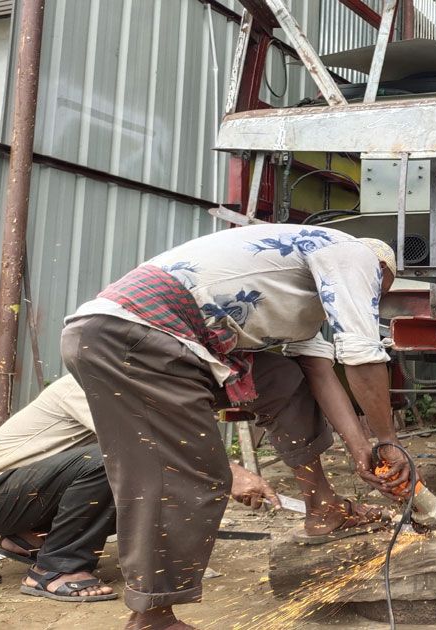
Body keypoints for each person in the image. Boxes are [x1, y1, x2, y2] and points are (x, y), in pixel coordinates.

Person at [61, 226, 405, 630]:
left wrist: (361, 447)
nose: (372, 298)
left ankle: (323, 508)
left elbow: (317, 370)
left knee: (283, 380)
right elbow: (362, 353)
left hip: (143, 335)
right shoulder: (355, 254)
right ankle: (152, 616)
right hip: (133, 336)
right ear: (379, 269)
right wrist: (388, 440)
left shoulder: (305, 292)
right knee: (186, 471)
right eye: (378, 290)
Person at [0, 375, 279, 603]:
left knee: (150, 479)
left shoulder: (133, 389)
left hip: (14, 500)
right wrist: (229, 472)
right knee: (117, 458)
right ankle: (56, 570)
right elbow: (144, 443)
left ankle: (27, 538)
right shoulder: (92, 382)